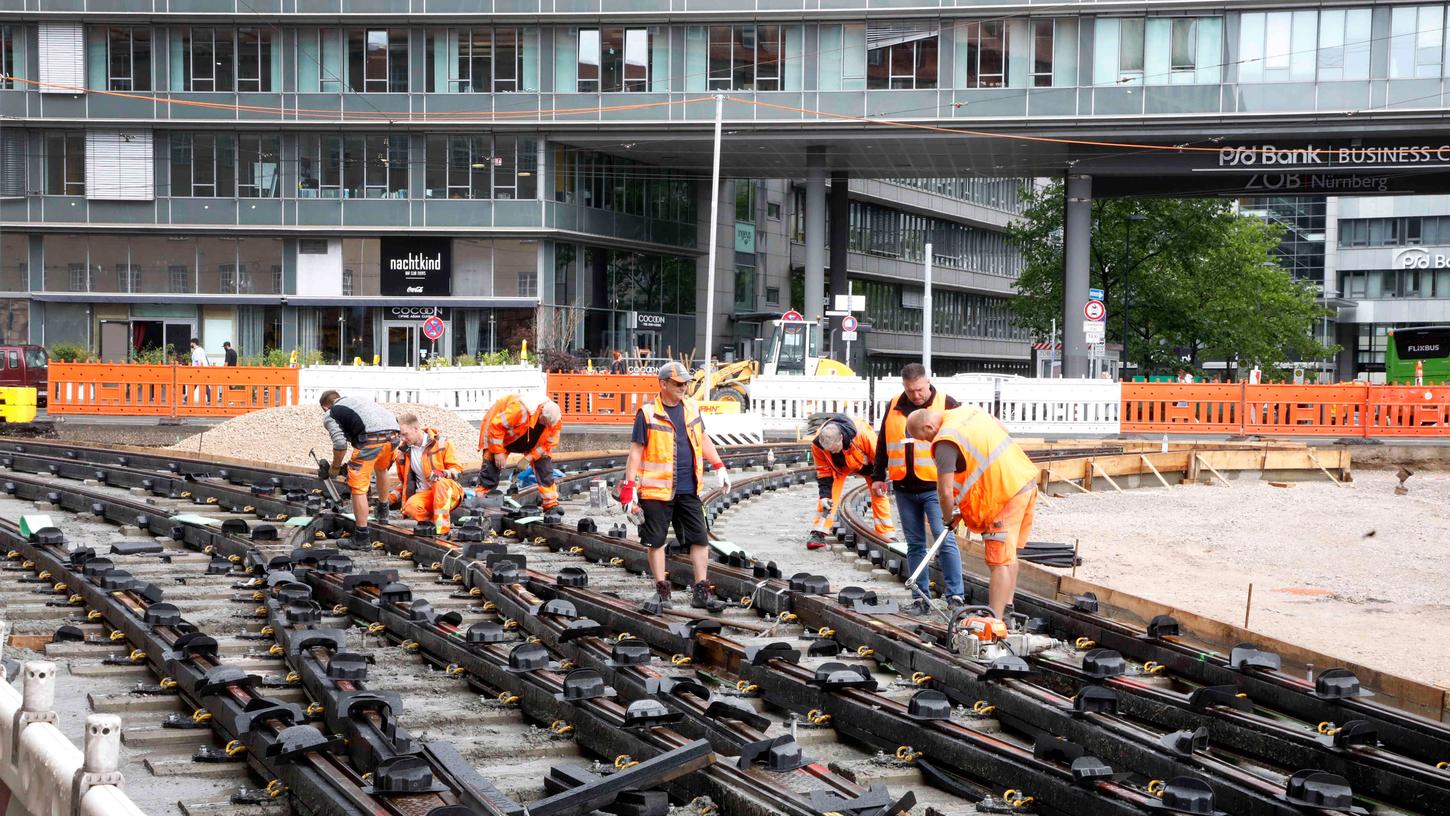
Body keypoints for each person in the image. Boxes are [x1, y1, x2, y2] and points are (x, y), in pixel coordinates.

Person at [906, 406, 1038, 620]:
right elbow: (1001, 429)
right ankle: (1007, 612)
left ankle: (993, 622)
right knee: (1009, 555)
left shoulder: (944, 441)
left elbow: (945, 492)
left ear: (929, 426)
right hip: (1025, 483)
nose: (928, 442)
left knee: (999, 562)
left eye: (924, 438)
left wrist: (948, 518)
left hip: (1003, 496)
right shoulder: (967, 412)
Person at [620, 362, 730, 610]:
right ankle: (662, 591)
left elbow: (702, 438)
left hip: (689, 488)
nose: (683, 388)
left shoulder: (691, 407)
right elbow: (635, 453)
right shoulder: (647, 414)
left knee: (699, 538)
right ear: (663, 384)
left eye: (686, 383)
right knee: (656, 541)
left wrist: (719, 465)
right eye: (678, 384)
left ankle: (701, 592)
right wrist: (629, 489)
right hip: (656, 491)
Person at [871, 363, 966, 614]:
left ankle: (955, 596)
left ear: (928, 381)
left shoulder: (947, 403)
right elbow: (883, 442)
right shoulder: (893, 405)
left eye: (920, 390)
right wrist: (878, 475)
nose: (916, 395)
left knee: (944, 539)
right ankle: (920, 598)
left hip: (935, 486)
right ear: (904, 386)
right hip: (903, 486)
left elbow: (963, 440)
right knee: (914, 544)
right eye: (911, 391)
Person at [320, 390, 399, 548]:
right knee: (382, 469)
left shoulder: (331, 413)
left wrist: (335, 468)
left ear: (324, 407)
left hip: (370, 440)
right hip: (394, 435)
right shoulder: (358, 400)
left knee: (358, 486)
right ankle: (383, 514)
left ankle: (361, 537)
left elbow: (340, 444)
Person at [808, 415, 894, 550]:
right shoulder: (818, 444)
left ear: (841, 437)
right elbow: (823, 472)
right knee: (827, 498)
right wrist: (825, 495)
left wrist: (879, 479)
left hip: (868, 466)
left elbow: (880, 457)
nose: (831, 452)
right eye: (828, 450)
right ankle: (818, 531)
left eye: (833, 449)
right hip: (838, 467)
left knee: (878, 493)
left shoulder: (864, 435)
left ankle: (887, 533)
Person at [478, 394, 564, 511]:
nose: (546, 425)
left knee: (544, 464)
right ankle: (481, 501)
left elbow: (548, 444)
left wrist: (529, 458)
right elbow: (496, 426)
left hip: (528, 439)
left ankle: (550, 504)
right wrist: (498, 452)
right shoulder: (519, 410)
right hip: (501, 436)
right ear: (541, 412)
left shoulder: (555, 420)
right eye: (544, 422)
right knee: (491, 464)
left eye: (549, 424)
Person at [388, 413, 463, 536]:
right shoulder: (404, 452)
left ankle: (442, 530)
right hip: (426, 495)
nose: (402, 438)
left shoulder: (443, 443)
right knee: (410, 507)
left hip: (450, 493)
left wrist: (443, 473)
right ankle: (432, 522)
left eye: (405, 434)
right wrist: (390, 499)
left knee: (440, 484)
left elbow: (457, 470)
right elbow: (405, 483)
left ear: (416, 429)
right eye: (400, 435)